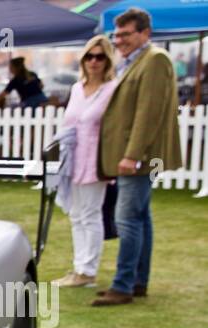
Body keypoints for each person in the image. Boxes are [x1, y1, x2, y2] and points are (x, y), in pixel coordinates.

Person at [93, 7, 182, 306]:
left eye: (125, 34)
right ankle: (137, 281)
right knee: (141, 218)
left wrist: (132, 155)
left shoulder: (154, 59)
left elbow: (149, 112)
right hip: (135, 155)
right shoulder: (133, 61)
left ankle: (123, 285)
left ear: (145, 33)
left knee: (127, 219)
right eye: (116, 35)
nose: (118, 40)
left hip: (139, 157)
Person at [56, 36, 118, 289]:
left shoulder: (113, 88)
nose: (94, 62)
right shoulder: (77, 89)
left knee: (91, 214)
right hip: (73, 158)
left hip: (96, 159)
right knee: (76, 214)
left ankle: (88, 270)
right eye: (89, 56)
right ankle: (79, 266)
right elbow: (69, 123)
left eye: (100, 57)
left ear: (107, 60)